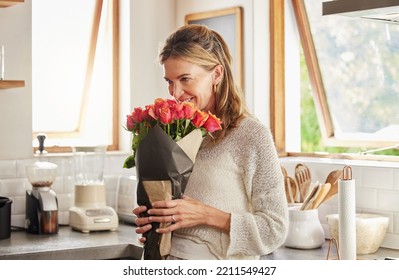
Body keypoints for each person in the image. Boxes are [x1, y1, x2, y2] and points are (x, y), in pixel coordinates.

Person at [133, 24, 288, 260]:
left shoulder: (251, 135)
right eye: (169, 81)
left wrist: (206, 215)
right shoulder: (173, 132)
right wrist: (154, 223)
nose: (175, 92)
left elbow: (274, 229)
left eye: (185, 79)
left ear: (216, 74)